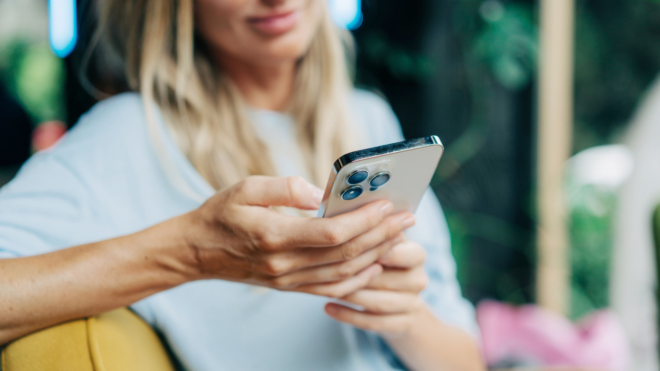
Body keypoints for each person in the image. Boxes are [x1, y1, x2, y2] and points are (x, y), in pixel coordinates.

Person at [0, 0, 483, 370]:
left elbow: (465, 358)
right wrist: (191, 253)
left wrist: (403, 317)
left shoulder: (366, 117)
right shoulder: (130, 135)